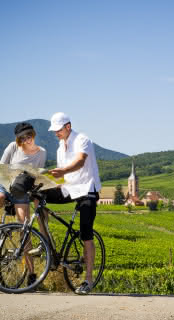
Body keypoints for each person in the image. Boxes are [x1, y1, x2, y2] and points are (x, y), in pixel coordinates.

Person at [0, 122, 47, 282]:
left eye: (29, 135)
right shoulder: (12, 147)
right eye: (22, 138)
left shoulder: (41, 153)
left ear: (34, 134)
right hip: (5, 187)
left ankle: (31, 275)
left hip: (22, 193)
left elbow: (37, 176)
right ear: (18, 139)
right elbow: (1, 169)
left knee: (24, 230)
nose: (27, 140)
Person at [42, 112, 101, 295]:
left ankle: (88, 280)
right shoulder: (61, 146)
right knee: (37, 196)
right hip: (69, 189)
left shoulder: (82, 139)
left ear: (68, 126)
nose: (56, 133)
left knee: (86, 233)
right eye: (54, 131)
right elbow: (64, 176)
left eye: (58, 130)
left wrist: (63, 171)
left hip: (86, 190)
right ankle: (45, 243)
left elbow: (80, 161)